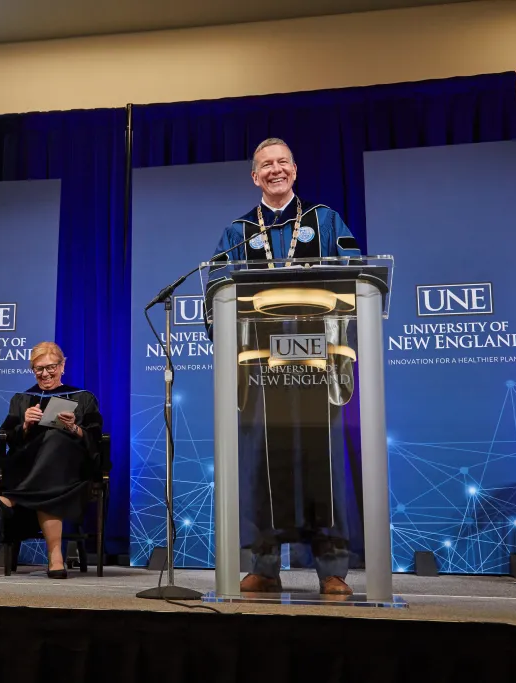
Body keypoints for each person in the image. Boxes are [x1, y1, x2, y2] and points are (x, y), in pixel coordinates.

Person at [209, 138, 361, 596]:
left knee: (323, 464)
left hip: (316, 364)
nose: (275, 170)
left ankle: (332, 569)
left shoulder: (325, 219)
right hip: (259, 370)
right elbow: (216, 290)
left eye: (282, 162)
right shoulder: (238, 233)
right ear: (255, 177)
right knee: (259, 469)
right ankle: (264, 565)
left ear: (294, 170)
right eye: (266, 165)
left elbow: (356, 274)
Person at [0, 342, 103, 579]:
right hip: (30, 467)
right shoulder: (22, 399)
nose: (45, 373)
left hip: (71, 469)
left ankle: (13, 498)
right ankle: (55, 557)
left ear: (63, 366)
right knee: (49, 478)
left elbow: (96, 439)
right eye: (39, 369)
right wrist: (25, 425)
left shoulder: (82, 397)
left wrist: (74, 428)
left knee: (56, 437)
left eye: (51, 367)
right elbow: (8, 437)